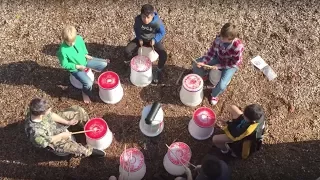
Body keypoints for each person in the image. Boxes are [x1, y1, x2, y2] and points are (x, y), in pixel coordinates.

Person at [24, 98, 106, 157]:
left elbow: (51, 115)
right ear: (42, 114)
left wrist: (67, 122)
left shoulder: (35, 111)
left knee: (77, 111)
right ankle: (89, 152)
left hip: (54, 126)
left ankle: (87, 127)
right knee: (76, 148)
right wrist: (62, 135)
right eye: (48, 110)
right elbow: (48, 141)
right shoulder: (36, 133)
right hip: (52, 139)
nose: (50, 111)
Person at [192, 23, 244, 105]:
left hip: (230, 65)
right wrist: (204, 62)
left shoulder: (238, 47)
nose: (221, 39)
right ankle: (202, 76)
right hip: (218, 58)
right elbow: (211, 52)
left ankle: (214, 95)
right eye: (221, 36)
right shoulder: (219, 38)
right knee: (196, 63)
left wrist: (220, 66)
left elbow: (235, 63)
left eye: (224, 38)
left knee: (222, 85)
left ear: (231, 39)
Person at [57, 25, 110, 103]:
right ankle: (85, 93)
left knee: (104, 64)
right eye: (69, 43)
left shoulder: (79, 39)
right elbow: (64, 64)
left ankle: (92, 70)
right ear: (64, 40)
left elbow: (83, 48)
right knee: (88, 83)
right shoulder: (62, 51)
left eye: (73, 41)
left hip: (85, 61)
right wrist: (76, 66)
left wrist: (86, 54)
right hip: (75, 69)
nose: (72, 44)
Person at [125, 4, 167, 84]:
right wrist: (139, 38)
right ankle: (130, 64)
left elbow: (162, 32)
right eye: (144, 17)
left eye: (148, 18)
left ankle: (158, 70)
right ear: (141, 15)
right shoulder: (138, 20)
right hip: (141, 39)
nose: (146, 20)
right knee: (127, 50)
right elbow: (136, 29)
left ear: (152, 16)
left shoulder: (157, 22)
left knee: (163, 55)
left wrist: (155, 40)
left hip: (152, 40)